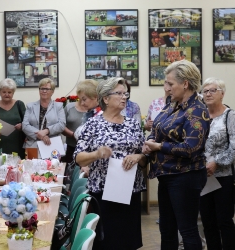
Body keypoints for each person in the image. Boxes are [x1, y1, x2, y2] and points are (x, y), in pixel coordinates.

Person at [74, 77, 147, 249]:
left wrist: (138, 157)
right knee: (107, 240)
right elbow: (78, 157)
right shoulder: (93, 124)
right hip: (103, 190)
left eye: (125, 94)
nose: (124, 97)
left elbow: (144, 154)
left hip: (130, 190)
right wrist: (97, 153)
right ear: (105, 99)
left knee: (128, 239)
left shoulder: (133, 124)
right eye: (119, 94)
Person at [143, 60, 210, 250]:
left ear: (185, 84)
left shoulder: (196, 110)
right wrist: (149, 143)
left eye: (170, 84)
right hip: (167, 175)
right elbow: (155, 127)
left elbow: (191, 147)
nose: (167, 88)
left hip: (186, 176)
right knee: (167, 228)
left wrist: (157, 146)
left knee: (187, 230)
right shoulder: (172, 105)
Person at [199, 77, 235, 250]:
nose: (208, 94)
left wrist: (216, 162)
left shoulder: (230, 115)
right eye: (205, 91)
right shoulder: (200, 115)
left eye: (212, 90)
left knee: (224, 221)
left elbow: (234, 147)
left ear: (222, 93)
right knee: (208, 222)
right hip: (202, 177)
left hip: (223, 176)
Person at [62, 79, 99, 177]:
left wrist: (86, 163)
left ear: (95, 97)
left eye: (84, 99)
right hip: (77, 153)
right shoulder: (90, 113)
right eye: (80, 99)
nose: (82, 103)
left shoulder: (100, 115)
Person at [22, 78, 65, 151]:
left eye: (47, 89)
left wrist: (46, 131)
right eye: (42, 89)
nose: (44, 91)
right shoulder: (30, 106)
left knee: (52, 163)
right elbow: (25, 125)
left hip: (52, 145)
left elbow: (62, 125)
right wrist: (41, 136)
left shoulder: (59, 106)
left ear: (52, 91)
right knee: (31, 162)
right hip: (33, 145)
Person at [0, 79, 26, 158]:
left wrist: (22, 125)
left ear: (13, 93)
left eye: (9, 92)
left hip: (17, 145)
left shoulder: (19, 104)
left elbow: (27, 122)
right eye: (4, 92)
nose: (7, 94)